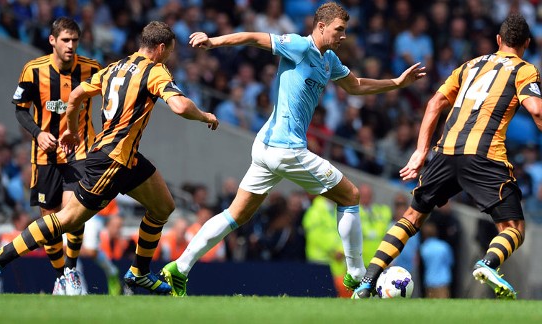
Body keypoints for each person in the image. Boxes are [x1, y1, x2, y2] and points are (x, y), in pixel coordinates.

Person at [160, 2, 426, 297]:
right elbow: (255, 37)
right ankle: (357, 274)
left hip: (267, 148)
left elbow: (357, 85)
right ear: (321, 26)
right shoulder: (299, 46)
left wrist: (398, 82)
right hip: (284, 148)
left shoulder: (330, 60)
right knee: (350, 196)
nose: (344, 36)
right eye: (339, 30)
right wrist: (214, 41)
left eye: (346, 31)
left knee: (236, 214)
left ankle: (179, 268)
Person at [0, 21, 219, 296]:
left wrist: (69, 128)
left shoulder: (113, 67)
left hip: (126, 158)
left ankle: (139, 273)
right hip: (111, 161)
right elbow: (179, 105)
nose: (169, 59)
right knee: (67, 220)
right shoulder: (155, 71)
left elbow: (77, 94)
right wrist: (204, 116)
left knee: (163, 206)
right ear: (161, 49)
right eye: (169, 53)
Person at [352, 13, 542, 300]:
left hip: (445, 152)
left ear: (498, 40)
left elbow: (435, 103)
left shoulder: (469, 65)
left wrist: (420, 152)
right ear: (527, 43)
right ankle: (489, 263)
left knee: (411, 217)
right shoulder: (525, 69)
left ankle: (368, 280)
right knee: (513, 228)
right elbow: (537, 110)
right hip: (484, 154)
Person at [10, 17, 101, 295]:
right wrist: (38, 133)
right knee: (49, 221)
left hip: (80, 151)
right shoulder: (33, 70)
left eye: (74, 40)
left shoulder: (92, 69)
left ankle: (72, 271)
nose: (71, 45)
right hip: (45, 155)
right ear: (52, 40)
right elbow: (20, 109)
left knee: (74, 215)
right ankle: (61, 276)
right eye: (65, 40)